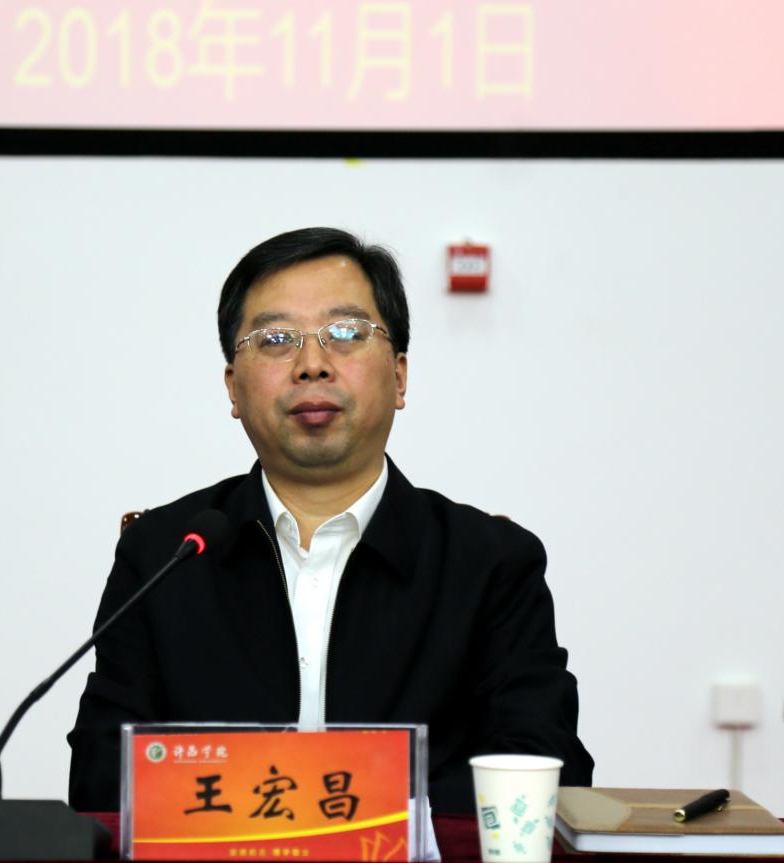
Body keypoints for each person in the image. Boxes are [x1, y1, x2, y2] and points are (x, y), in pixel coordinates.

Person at [67, 227, 592, 814]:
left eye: (345, 333)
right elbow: (101, 775)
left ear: (399, 376)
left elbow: (543, 768)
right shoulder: (167, 554)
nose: (312, 365)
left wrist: (344, 817)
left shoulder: (488, 563)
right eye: (275, 339)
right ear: (233, 388)